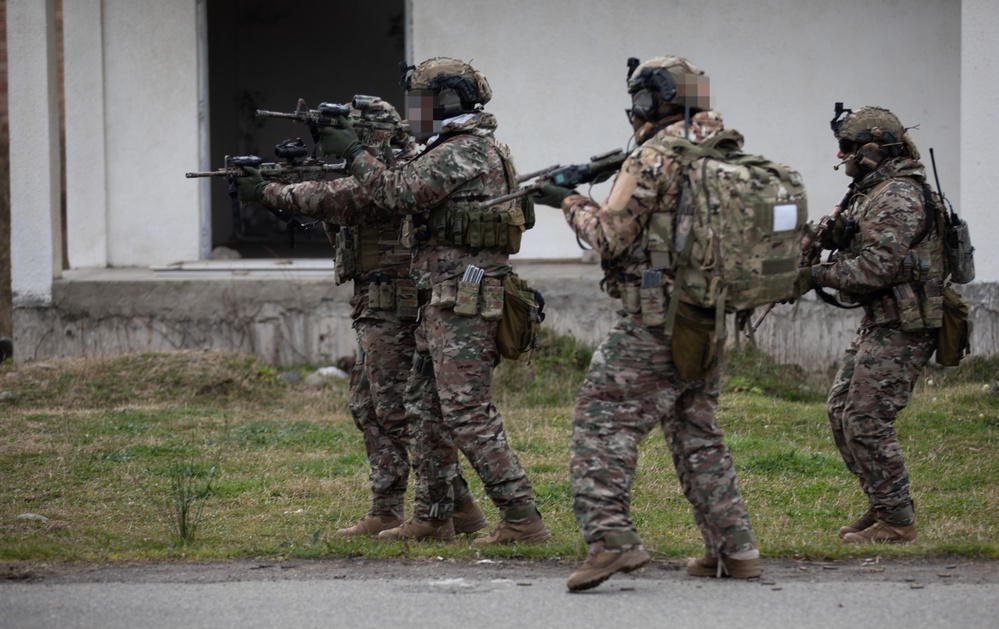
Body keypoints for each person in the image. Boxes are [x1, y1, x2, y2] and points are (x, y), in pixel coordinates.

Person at [534, 56, 760, 591]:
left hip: (656, 320)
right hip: (709, 314)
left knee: (602, 419)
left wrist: (564, 200)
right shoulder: (726, 149)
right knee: (695, 430)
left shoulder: (655, 157)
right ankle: (736, 549)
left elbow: (611, 235)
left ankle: (612, 542)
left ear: (647, 100)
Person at [315, 57, 551, 545]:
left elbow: (397, 192)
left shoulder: (464, 151)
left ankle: (522, 517)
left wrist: (355, 151)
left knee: (466, 411)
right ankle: (434, 516)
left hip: (464, 302)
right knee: (423, 407)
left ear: (444, 103)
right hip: (441, 299)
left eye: (418, 103)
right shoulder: (450, 147)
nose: (411, 115)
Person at [236, 98, 487, 540]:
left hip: (398, 305)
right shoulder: (379, 168)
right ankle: (391, 508)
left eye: (348, 134)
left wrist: (266, 192)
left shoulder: (398, 172)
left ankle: (448, 509)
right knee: (368, 407)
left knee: (398, 412)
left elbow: (342, 198)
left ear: (372, 134)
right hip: (375, 303)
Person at [793, 104, 942, 544]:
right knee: (841, 410)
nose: (841, 156)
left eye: (847, 147)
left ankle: (898, 521)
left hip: (907, 321)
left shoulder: (897, 195)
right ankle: (883, 504)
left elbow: (875, 269)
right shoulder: (872, 191)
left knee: (866, 417)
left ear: (874, 150)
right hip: (883, 318)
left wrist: (812, 276)